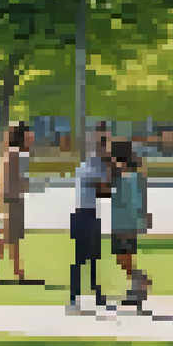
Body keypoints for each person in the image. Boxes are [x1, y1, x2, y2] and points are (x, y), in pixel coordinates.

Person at [67, 127, 112, 314]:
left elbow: (102, 189)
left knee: (90, 258)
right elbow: (106, 188)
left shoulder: (86, 165)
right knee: (84, 259)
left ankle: (91, 293)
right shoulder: (96, 165)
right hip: (86, 215)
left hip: (84, 214)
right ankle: (76, 297)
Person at [0, 122, 35, 284]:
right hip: (12, 201)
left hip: (13, 200)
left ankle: (18, 273)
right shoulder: (15, 154)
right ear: (22, 136)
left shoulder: (12, 153)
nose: (32, 138)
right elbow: (11, 181)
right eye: (29, 135)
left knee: (14, 238)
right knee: (6, 237)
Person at [109, 139, 152, 307]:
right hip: (121, 221)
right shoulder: (121, 175)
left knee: (124, 257)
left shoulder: (130, 176)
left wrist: (138, 219)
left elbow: (137, 199)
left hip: (125, 222)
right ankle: (138, 284)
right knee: (123, 258)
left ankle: (139, 283)